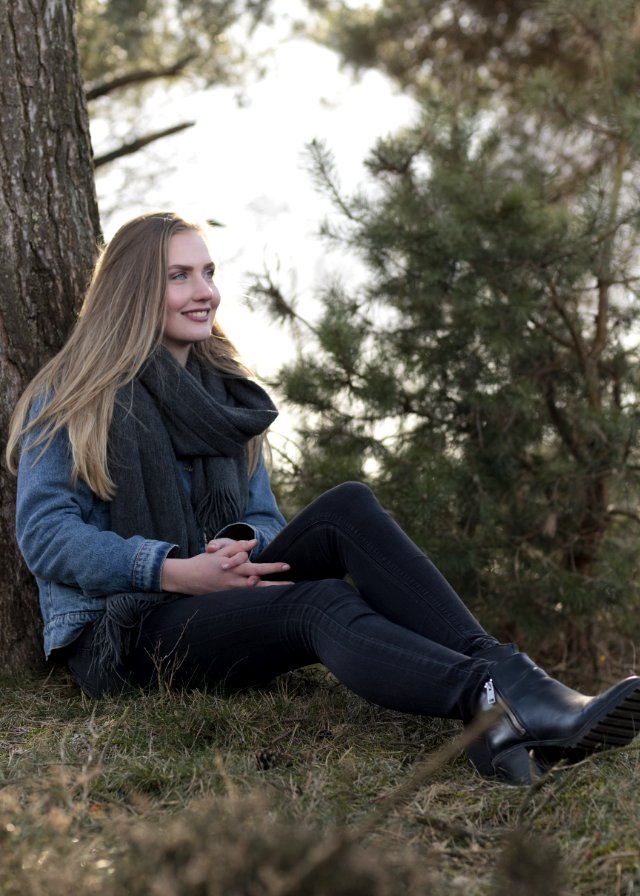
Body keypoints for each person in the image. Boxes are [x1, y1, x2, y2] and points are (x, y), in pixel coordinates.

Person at [7, 211, 640, 786]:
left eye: (208, 272)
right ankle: (489, 701)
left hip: (219, 599)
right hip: (128, 635)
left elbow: (262, 515)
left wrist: (243, 550)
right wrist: (175, 570)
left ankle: (507, 679)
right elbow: (48, 535)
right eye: (179, 277)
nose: (206, 293)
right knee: (319, 603)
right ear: (135, 291)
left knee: (348, 506)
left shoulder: (225, 398)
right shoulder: (73, 395)